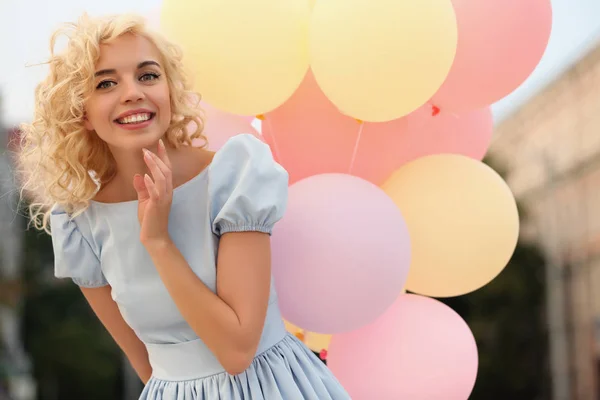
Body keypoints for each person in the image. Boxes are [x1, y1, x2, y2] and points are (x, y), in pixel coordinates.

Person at [17, 13, 350, 400]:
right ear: (82, 113)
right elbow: (146, 367)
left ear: (169, 91)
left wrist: (158, 242)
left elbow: (238, 349)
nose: (132, 92)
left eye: (148, 75)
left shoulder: (233, 174)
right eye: (106, 83)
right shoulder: (79, 225)